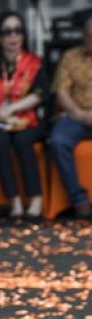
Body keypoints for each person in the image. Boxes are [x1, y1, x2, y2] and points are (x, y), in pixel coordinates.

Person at [0, 11, 47, 219]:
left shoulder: (35, 62)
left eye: (18, 31)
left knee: (23, 139)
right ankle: (14, 200)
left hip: (26, 118)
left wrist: (12, 111)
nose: (13, 36)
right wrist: (2, 116)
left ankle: (36, 199)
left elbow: (40, 94)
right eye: (7, 32)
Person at [48, 14, 92, 218]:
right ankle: (78, 199)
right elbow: (61, 92)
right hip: (77, 115)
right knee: (58, 140)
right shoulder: (70, 57)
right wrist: (80, 114)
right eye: (89, 35)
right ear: (84, 36)